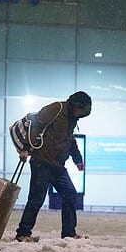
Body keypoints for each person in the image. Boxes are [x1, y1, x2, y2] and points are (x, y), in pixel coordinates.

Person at [15, 91, 92, 242]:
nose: (81, 115)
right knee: (37, 198)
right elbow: (34, 125)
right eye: (81, 111)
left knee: (70, 194)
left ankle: (69, 234)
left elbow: (70, 140)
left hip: (57, 165)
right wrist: (25, 148)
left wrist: (78, 159)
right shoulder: (56, 109)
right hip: (41, 162)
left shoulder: (72, 119)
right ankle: (23, 233)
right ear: (75, 105)